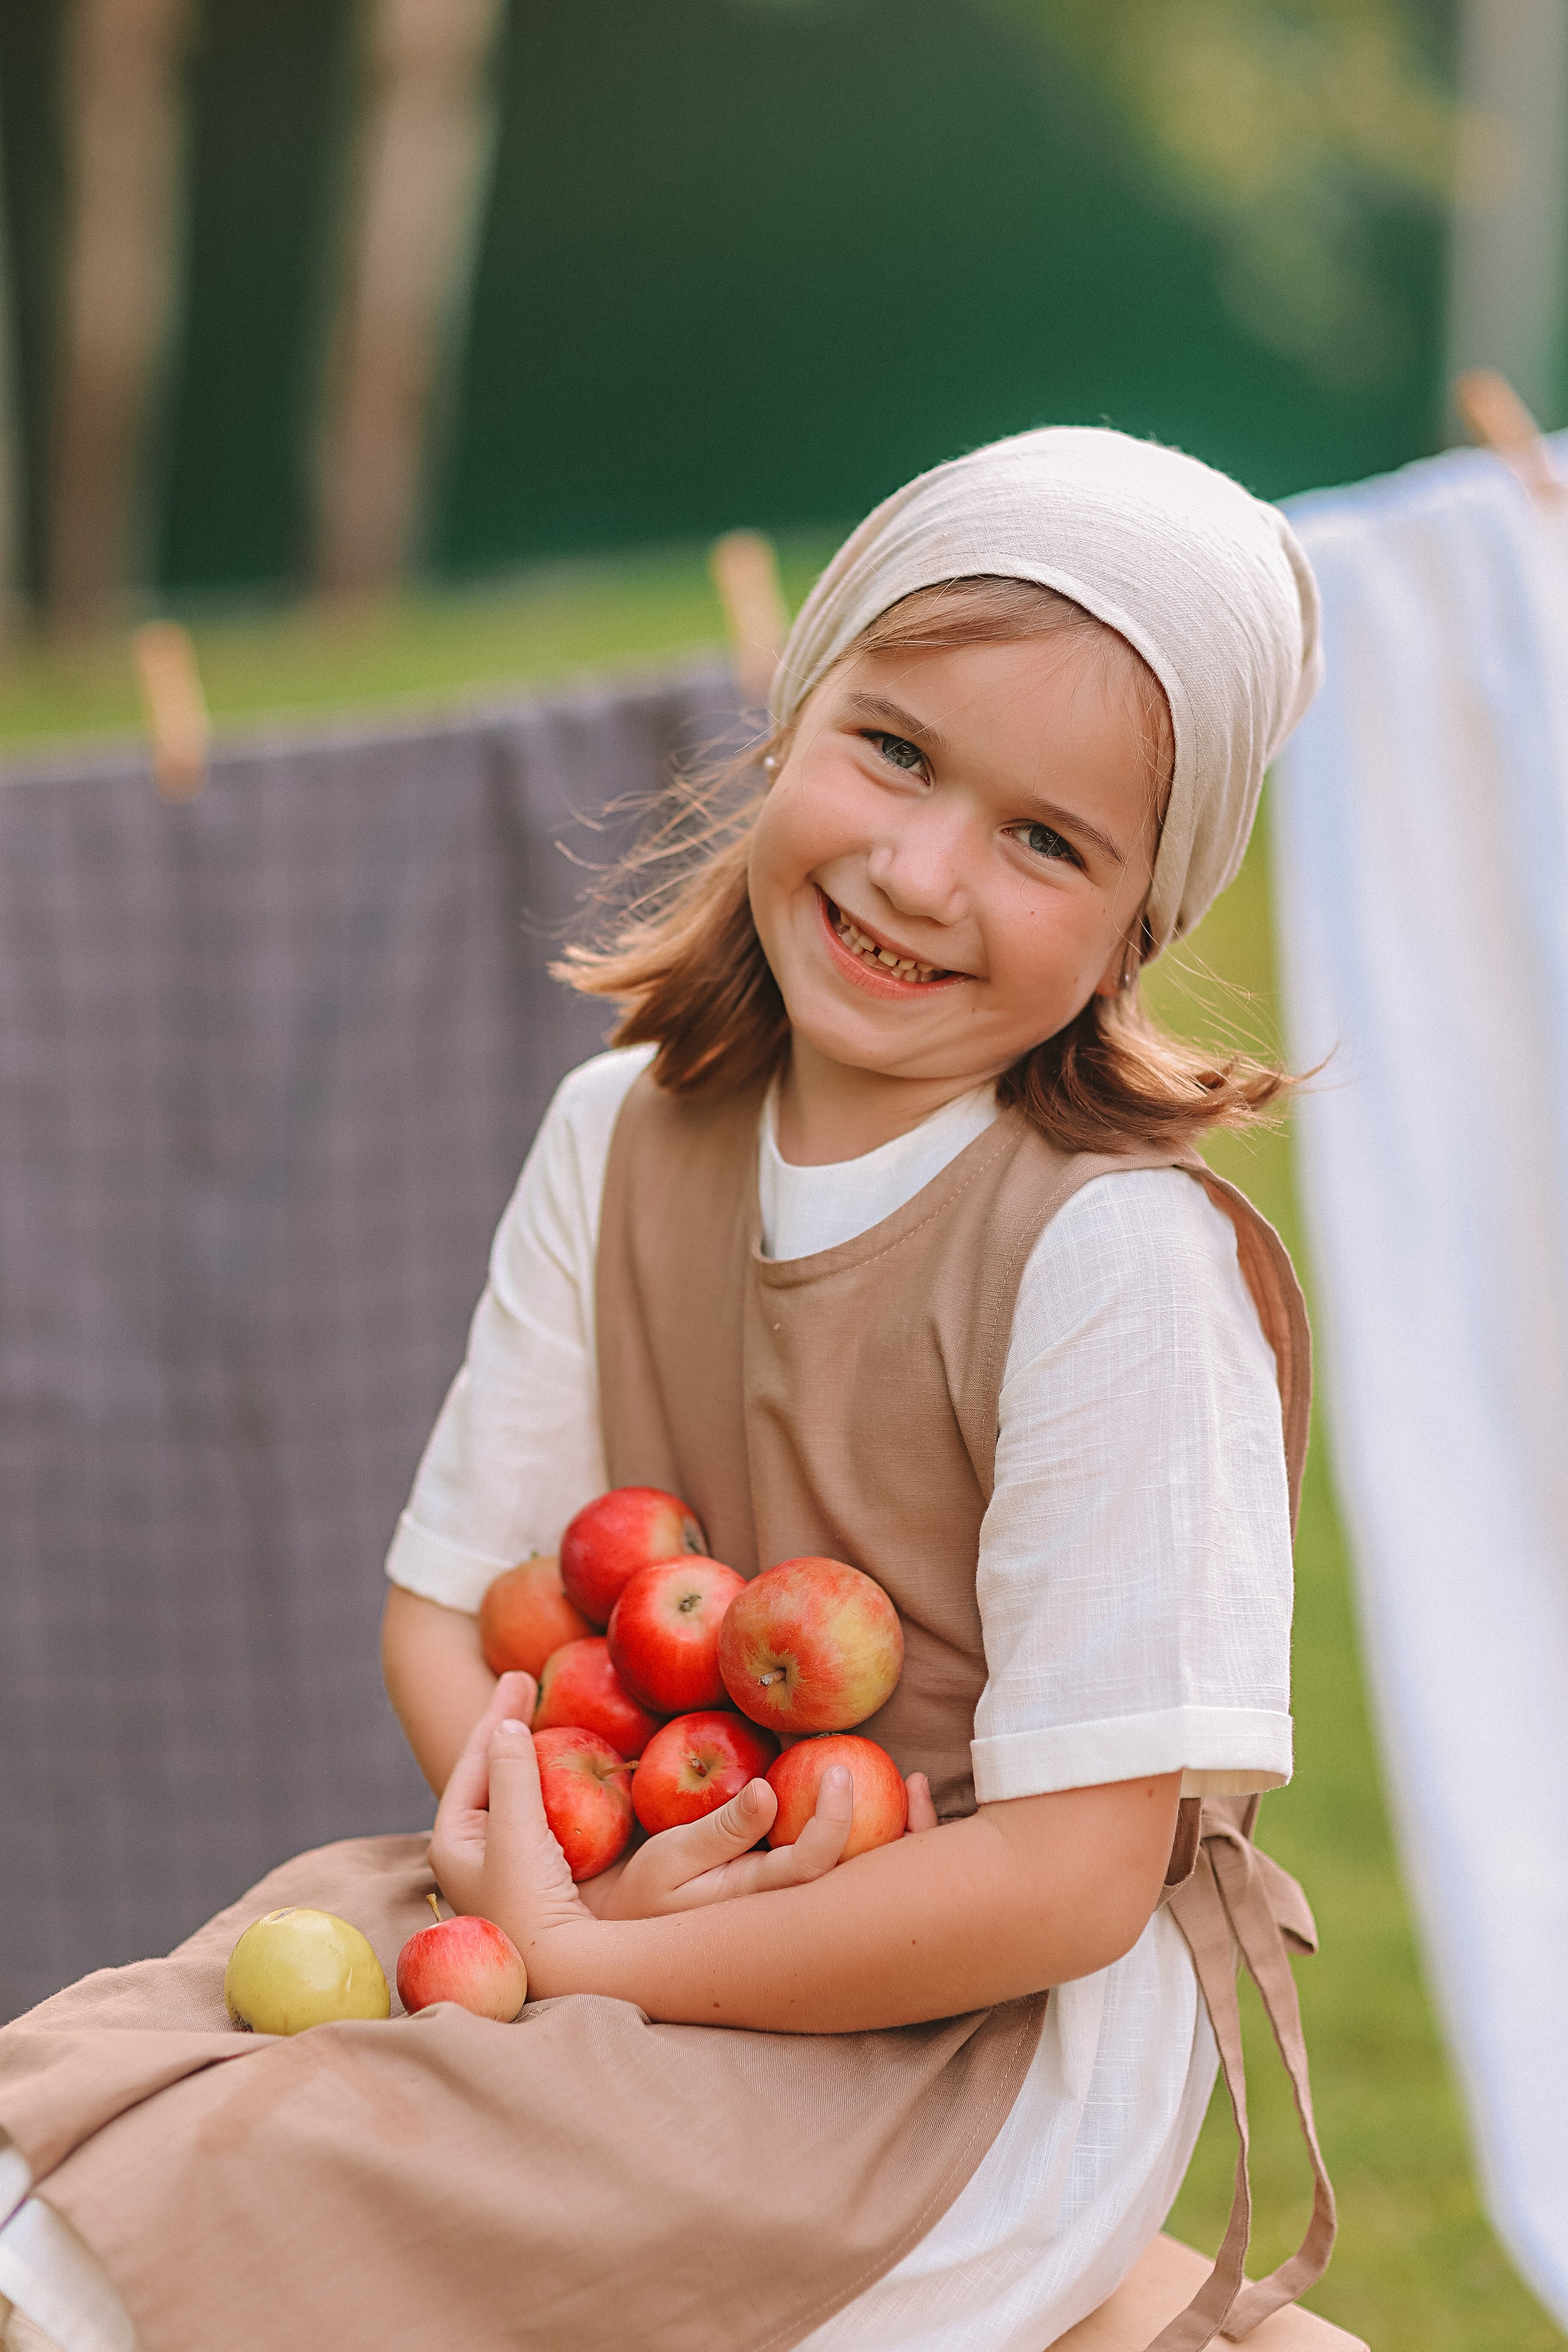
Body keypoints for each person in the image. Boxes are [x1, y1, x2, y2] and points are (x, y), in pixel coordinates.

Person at [0, 426, 1332, 2352]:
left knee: (290, 2186)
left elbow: (1065, 1883)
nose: (921, 869)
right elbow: (452, 1615)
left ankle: (1086, 2291)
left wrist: (587, 1956)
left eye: (1047, 840)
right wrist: (545, 1877)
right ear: (794, 718)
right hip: (609, 1880)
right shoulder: (623, 1131)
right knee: (107, 2085)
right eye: (895, 749)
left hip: (960, 2035)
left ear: (1142, 921)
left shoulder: (1113, 1258)